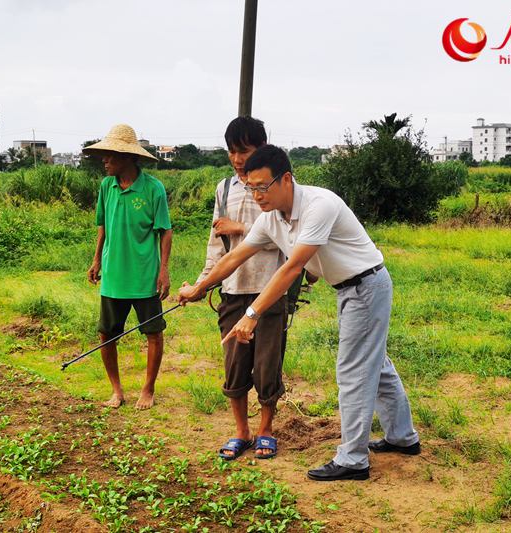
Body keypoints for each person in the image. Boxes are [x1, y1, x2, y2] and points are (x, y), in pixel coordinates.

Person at [178, 144, 420, 481]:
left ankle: (353, 459)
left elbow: (293, 268)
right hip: (352, 287)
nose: (257, 195)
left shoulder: (318, 205)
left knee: (353, 371)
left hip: (365, 286)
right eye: (251, 188)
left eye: (263, 186)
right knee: (375, 364)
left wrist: (252, 313)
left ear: (286, 179)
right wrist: (200, 287)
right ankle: (402, 437)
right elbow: (234, 257)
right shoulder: (271, 220)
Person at [180, 116, 287, 460]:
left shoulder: (274, 187)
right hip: (233, 288)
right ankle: (242, 431)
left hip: (270, 289)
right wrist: (204, 282)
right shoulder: (224, 189)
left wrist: (238, 227)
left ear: (262, 150)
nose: (238, 158)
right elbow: (216, 244)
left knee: (268, 363)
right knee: (235, 364)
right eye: (232, 151)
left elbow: (284, 238)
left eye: (245, 150)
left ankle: (265, 429)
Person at [84, 123, 172, 410]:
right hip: (113, 274)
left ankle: (148, 389)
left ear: (127, 157)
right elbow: (102, 226)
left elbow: (165, 231)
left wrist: (164, 270)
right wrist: (97, 259)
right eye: (105, 156)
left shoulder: (153, 189)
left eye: (110, 156)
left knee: (153, 333)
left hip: (145, 276)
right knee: (106, 333)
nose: (105, 161)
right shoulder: (106, 187)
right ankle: (117, 390)